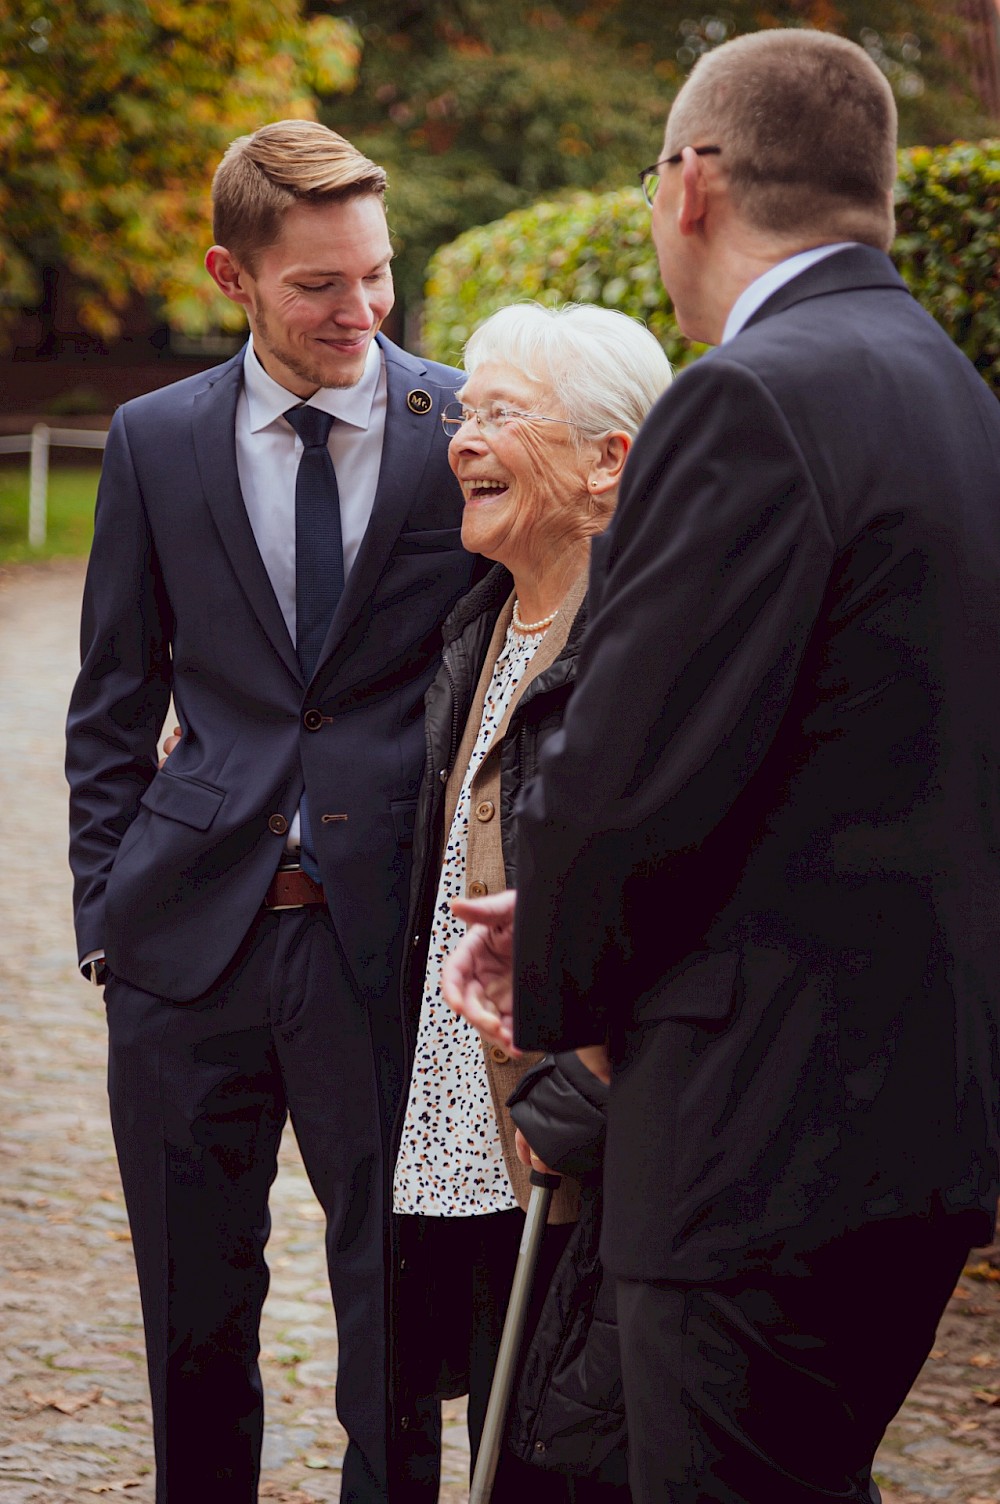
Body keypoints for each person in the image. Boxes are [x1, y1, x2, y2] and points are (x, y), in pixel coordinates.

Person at [443, 28, 1000, 1504]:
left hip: (753, 1143)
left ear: (692, 186)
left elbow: (627, 769)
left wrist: (555, 955)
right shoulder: (958, 398)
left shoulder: (746, 398)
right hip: (919, 1125)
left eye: (650, 183)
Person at [65, 119, 478, 1504]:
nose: (359, 310)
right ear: (229, 275)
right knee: (191, 1320)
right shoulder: (156, 441)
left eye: (375, 274)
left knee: (396, 1335)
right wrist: (105, 923)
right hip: (186, 951)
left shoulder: (458, 424)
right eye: (317, 286)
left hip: (390, 953)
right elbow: (113, 703)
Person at [390, 302, 671, 1500]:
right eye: (466, 410)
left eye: (504, 413)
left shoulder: (648, 646)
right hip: (466, 1135)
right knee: (493, 1447)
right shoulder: (481, 622)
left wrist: (582, 1097)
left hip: (579, 1140)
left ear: (609, 463)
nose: (462, 436)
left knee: (568, 1457)